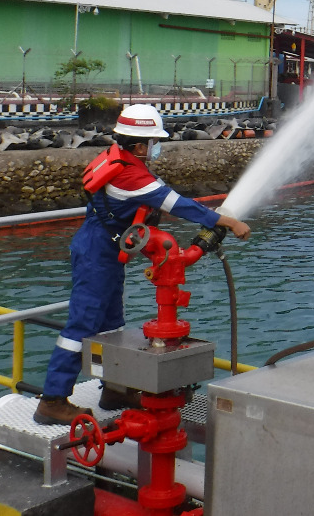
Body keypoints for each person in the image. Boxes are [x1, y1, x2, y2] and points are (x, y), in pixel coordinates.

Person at [33, 104, 251, 426]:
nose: (155, 148)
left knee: (112, 324)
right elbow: (178, 204)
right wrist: (227, 222)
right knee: (81, 326)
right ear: (138, 145)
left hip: (105, 246)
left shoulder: (119, 159)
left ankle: (115, 389)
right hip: (97, 252)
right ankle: (52, 400)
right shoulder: (133, 175)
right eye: (152, 143)